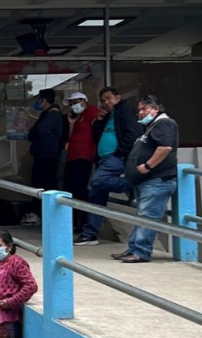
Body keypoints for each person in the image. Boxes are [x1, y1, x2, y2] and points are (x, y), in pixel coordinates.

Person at [117, 93, 180, 265]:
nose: (141, 113)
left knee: (147, 217)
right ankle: (133, 249)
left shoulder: (164, 124)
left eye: (145, 108)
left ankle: (141, 252)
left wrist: (148, 166)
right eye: (139, 110)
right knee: (141, 216)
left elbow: (165, 148)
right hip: (146, 182)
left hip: (157, 180)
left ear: (156, 109)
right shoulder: (152, 127)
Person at [77, 87, 139, 245]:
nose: (106, 102)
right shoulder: (107, 114)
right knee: (96, 196)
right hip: (103, 159)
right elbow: (97, 135)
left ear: (117, 97)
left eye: (109, 98)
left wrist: (120, 152)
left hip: (117, 157)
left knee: (96, 181)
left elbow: (133, 133)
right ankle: (90, 234)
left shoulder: (124, 110)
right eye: (103, 100)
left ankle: (132, 184)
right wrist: (99, 120)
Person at [62, 91, 98, 229]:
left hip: (84, 157)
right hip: (72, 156)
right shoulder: (78, 118)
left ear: (84, 100)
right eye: (71, 104)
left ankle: (82, 222)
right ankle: (73, 222)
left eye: (75, 102)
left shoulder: (91, 111)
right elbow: (71, 138)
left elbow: (98, 125)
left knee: (79, 190)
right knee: (70, 190)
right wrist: (71, 124)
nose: (73, 105)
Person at [27, 88, 67, 193]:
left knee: (44, 187)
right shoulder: (46, 115)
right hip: (42, 155)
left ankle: (41, 209)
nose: (37, 102)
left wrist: (33, 131)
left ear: (43, 100)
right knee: (38, 187)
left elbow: (38, 131)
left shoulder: (53, 115)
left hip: (48, 157)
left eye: (39, 99)